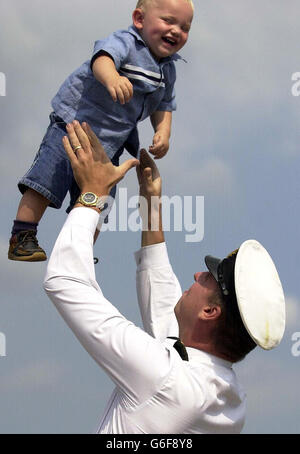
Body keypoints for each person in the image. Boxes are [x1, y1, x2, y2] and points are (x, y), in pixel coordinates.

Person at [43, 121, 285, 434]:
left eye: (208, 278)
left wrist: (92, 194)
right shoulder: (227, 397)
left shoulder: (165, 381)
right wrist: (151, 204)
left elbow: (64, 280)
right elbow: (167, 315)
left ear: (210, 312)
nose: (198, 274)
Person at [8, 0, 194, 262]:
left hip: (109, 145)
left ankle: (80, 248)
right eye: (168, 21)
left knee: (101, 201)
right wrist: (112, 78)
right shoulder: (126, 42)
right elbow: (102, 59)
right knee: (46, 178)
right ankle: (23, 235)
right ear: (139, 19)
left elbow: (164, 103)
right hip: (73, 125)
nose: (176, 30)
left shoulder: (168, 70)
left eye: (184, 27)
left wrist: (163, 131)